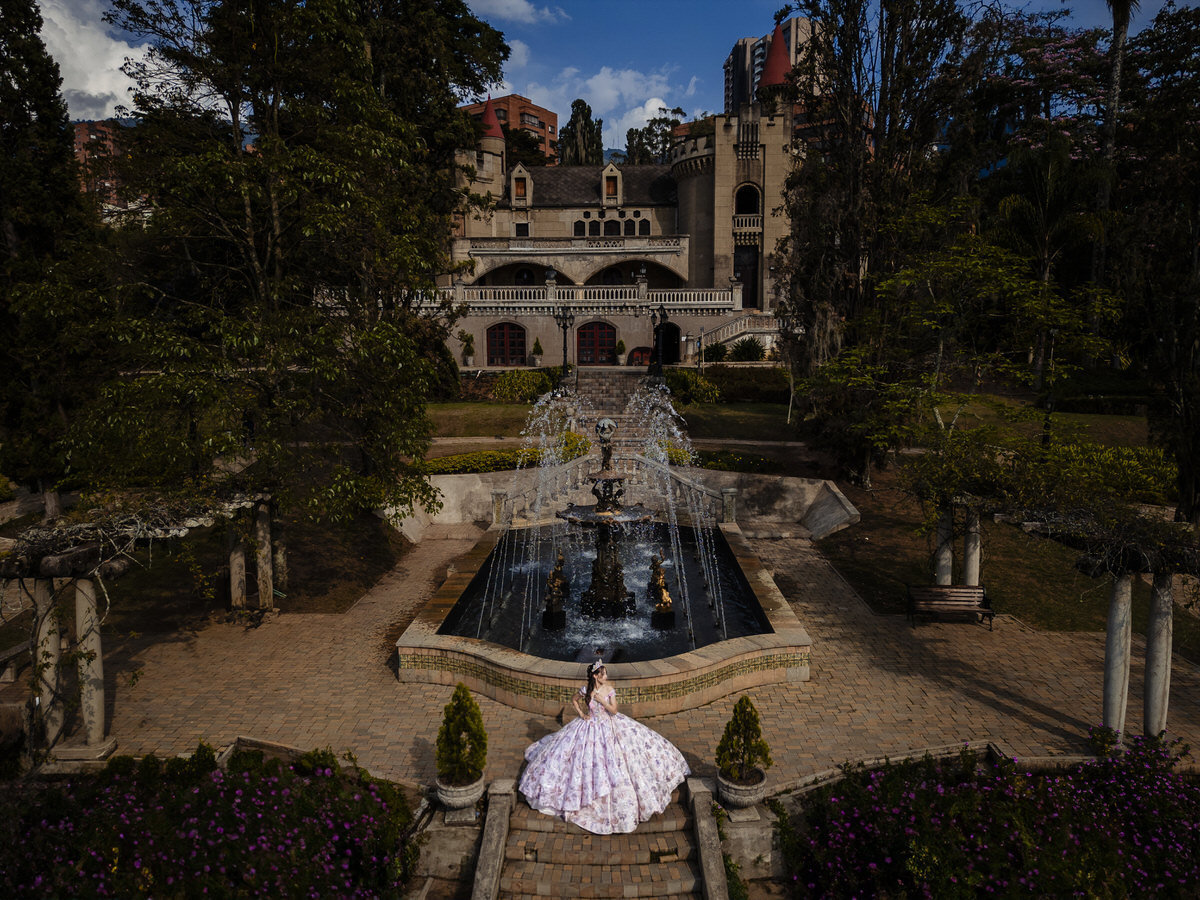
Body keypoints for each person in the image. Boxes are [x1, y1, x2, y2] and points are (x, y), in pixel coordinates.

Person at [518, 660, 690, 834]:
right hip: (589, 726)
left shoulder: (608, 690)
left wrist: (602, 701)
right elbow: (574, 700)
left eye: (606, 674)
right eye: (603, 674)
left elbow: (614, 710)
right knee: (579, 760)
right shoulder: (586, 690)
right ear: (595, 676)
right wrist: (582, 714)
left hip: (610, 725)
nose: (606, 677)